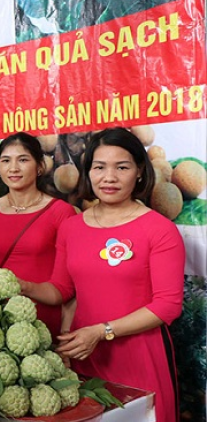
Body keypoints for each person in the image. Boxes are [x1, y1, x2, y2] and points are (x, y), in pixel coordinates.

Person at [21, 127, 184, 422]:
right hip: (85, 356)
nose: (109, 177)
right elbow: (62, 289)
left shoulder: (160, 229)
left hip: (139, 359)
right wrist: (23, 286)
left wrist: (101, 331)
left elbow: (167, 305)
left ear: (138, 172)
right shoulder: (72, 226)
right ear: (88, 171)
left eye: (121, 167)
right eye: (99, 167)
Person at [0, 132, 76, 337]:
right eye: (6, 160)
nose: (13, 168)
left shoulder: (61, 212)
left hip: (44, 324)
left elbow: (65, 289)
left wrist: (22, 287)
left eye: (23, 160)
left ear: (40, 166)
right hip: (1, 324)